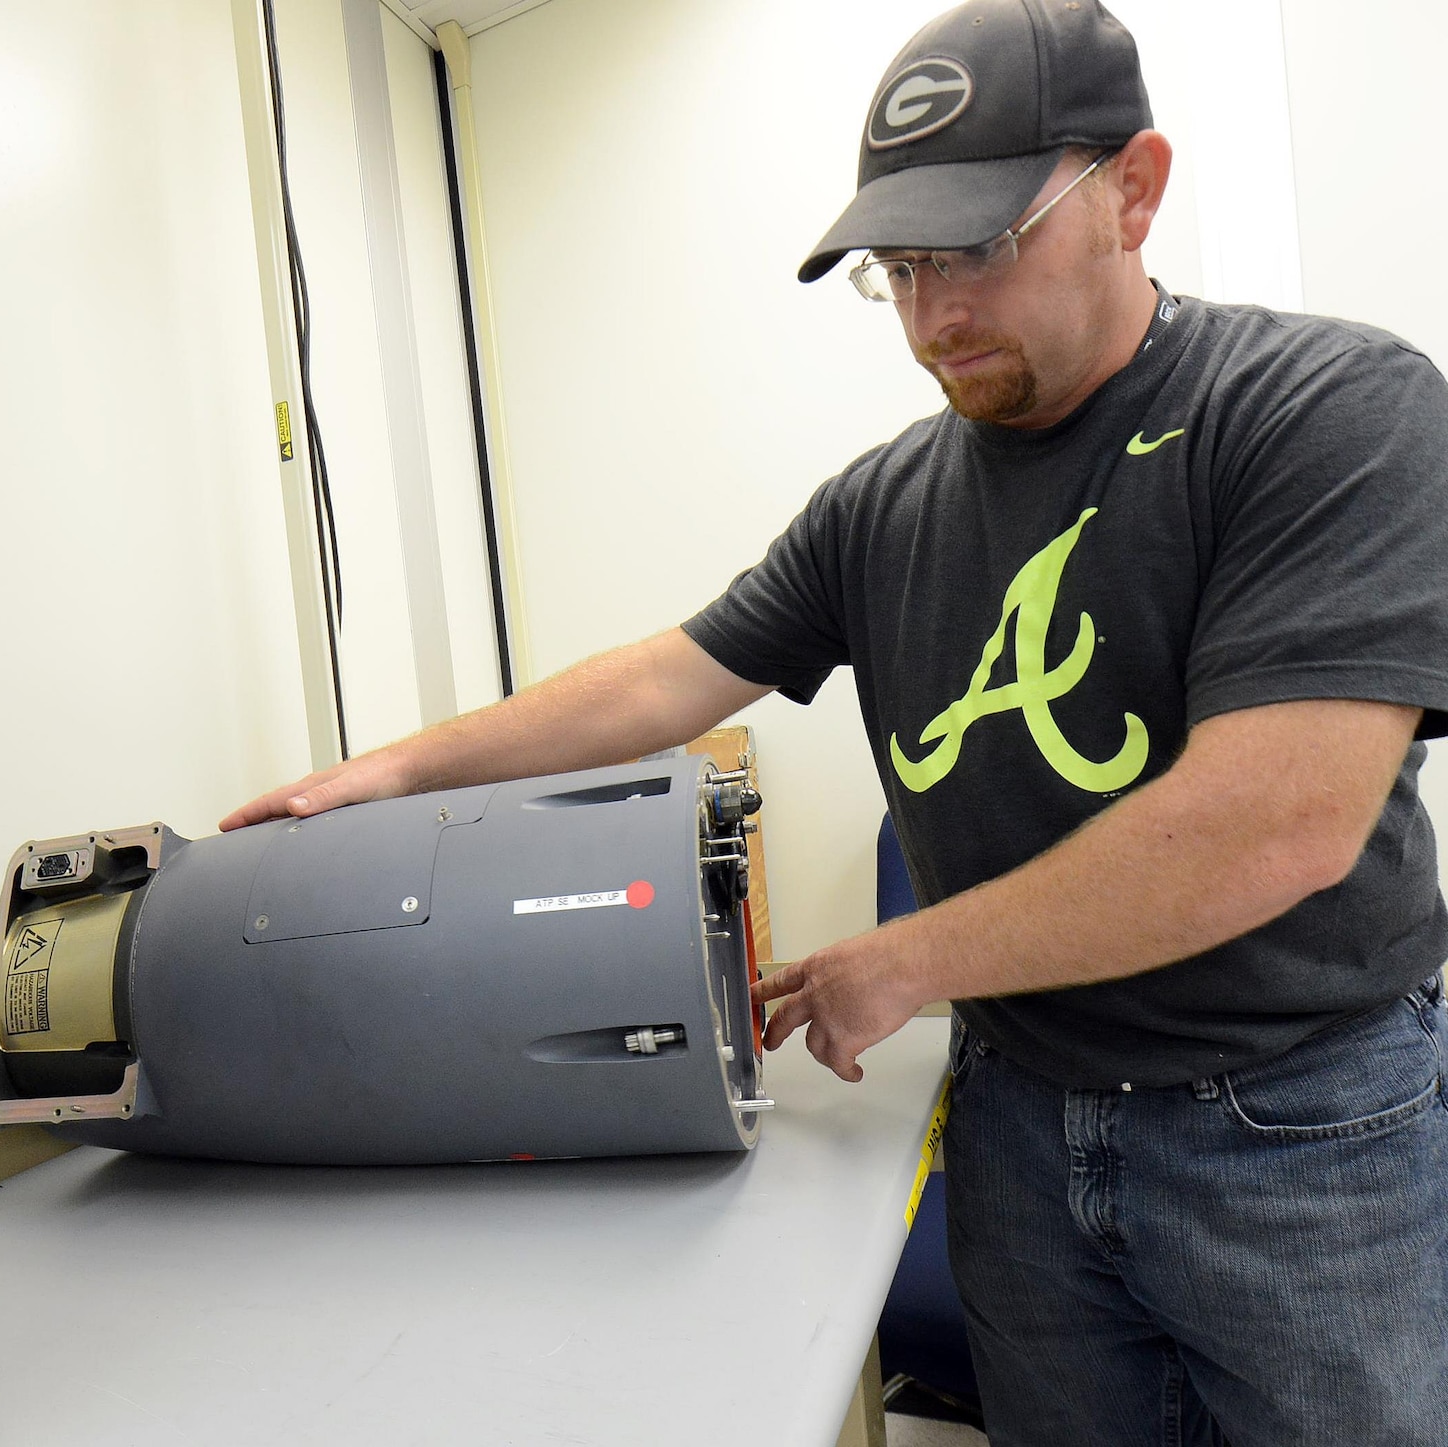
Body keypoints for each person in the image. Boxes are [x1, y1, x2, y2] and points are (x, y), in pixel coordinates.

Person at [223, 2, 1448, 1441]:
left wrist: (910, 957)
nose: (936, 316)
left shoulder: (1323, 410)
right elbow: (663, 679)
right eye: (901, 269)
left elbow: (1278, 820)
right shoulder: (886, 504)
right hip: (1020, 1122)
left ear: (1134, 187)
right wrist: (389, 771)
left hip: (1296, 1125)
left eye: (981, 249)